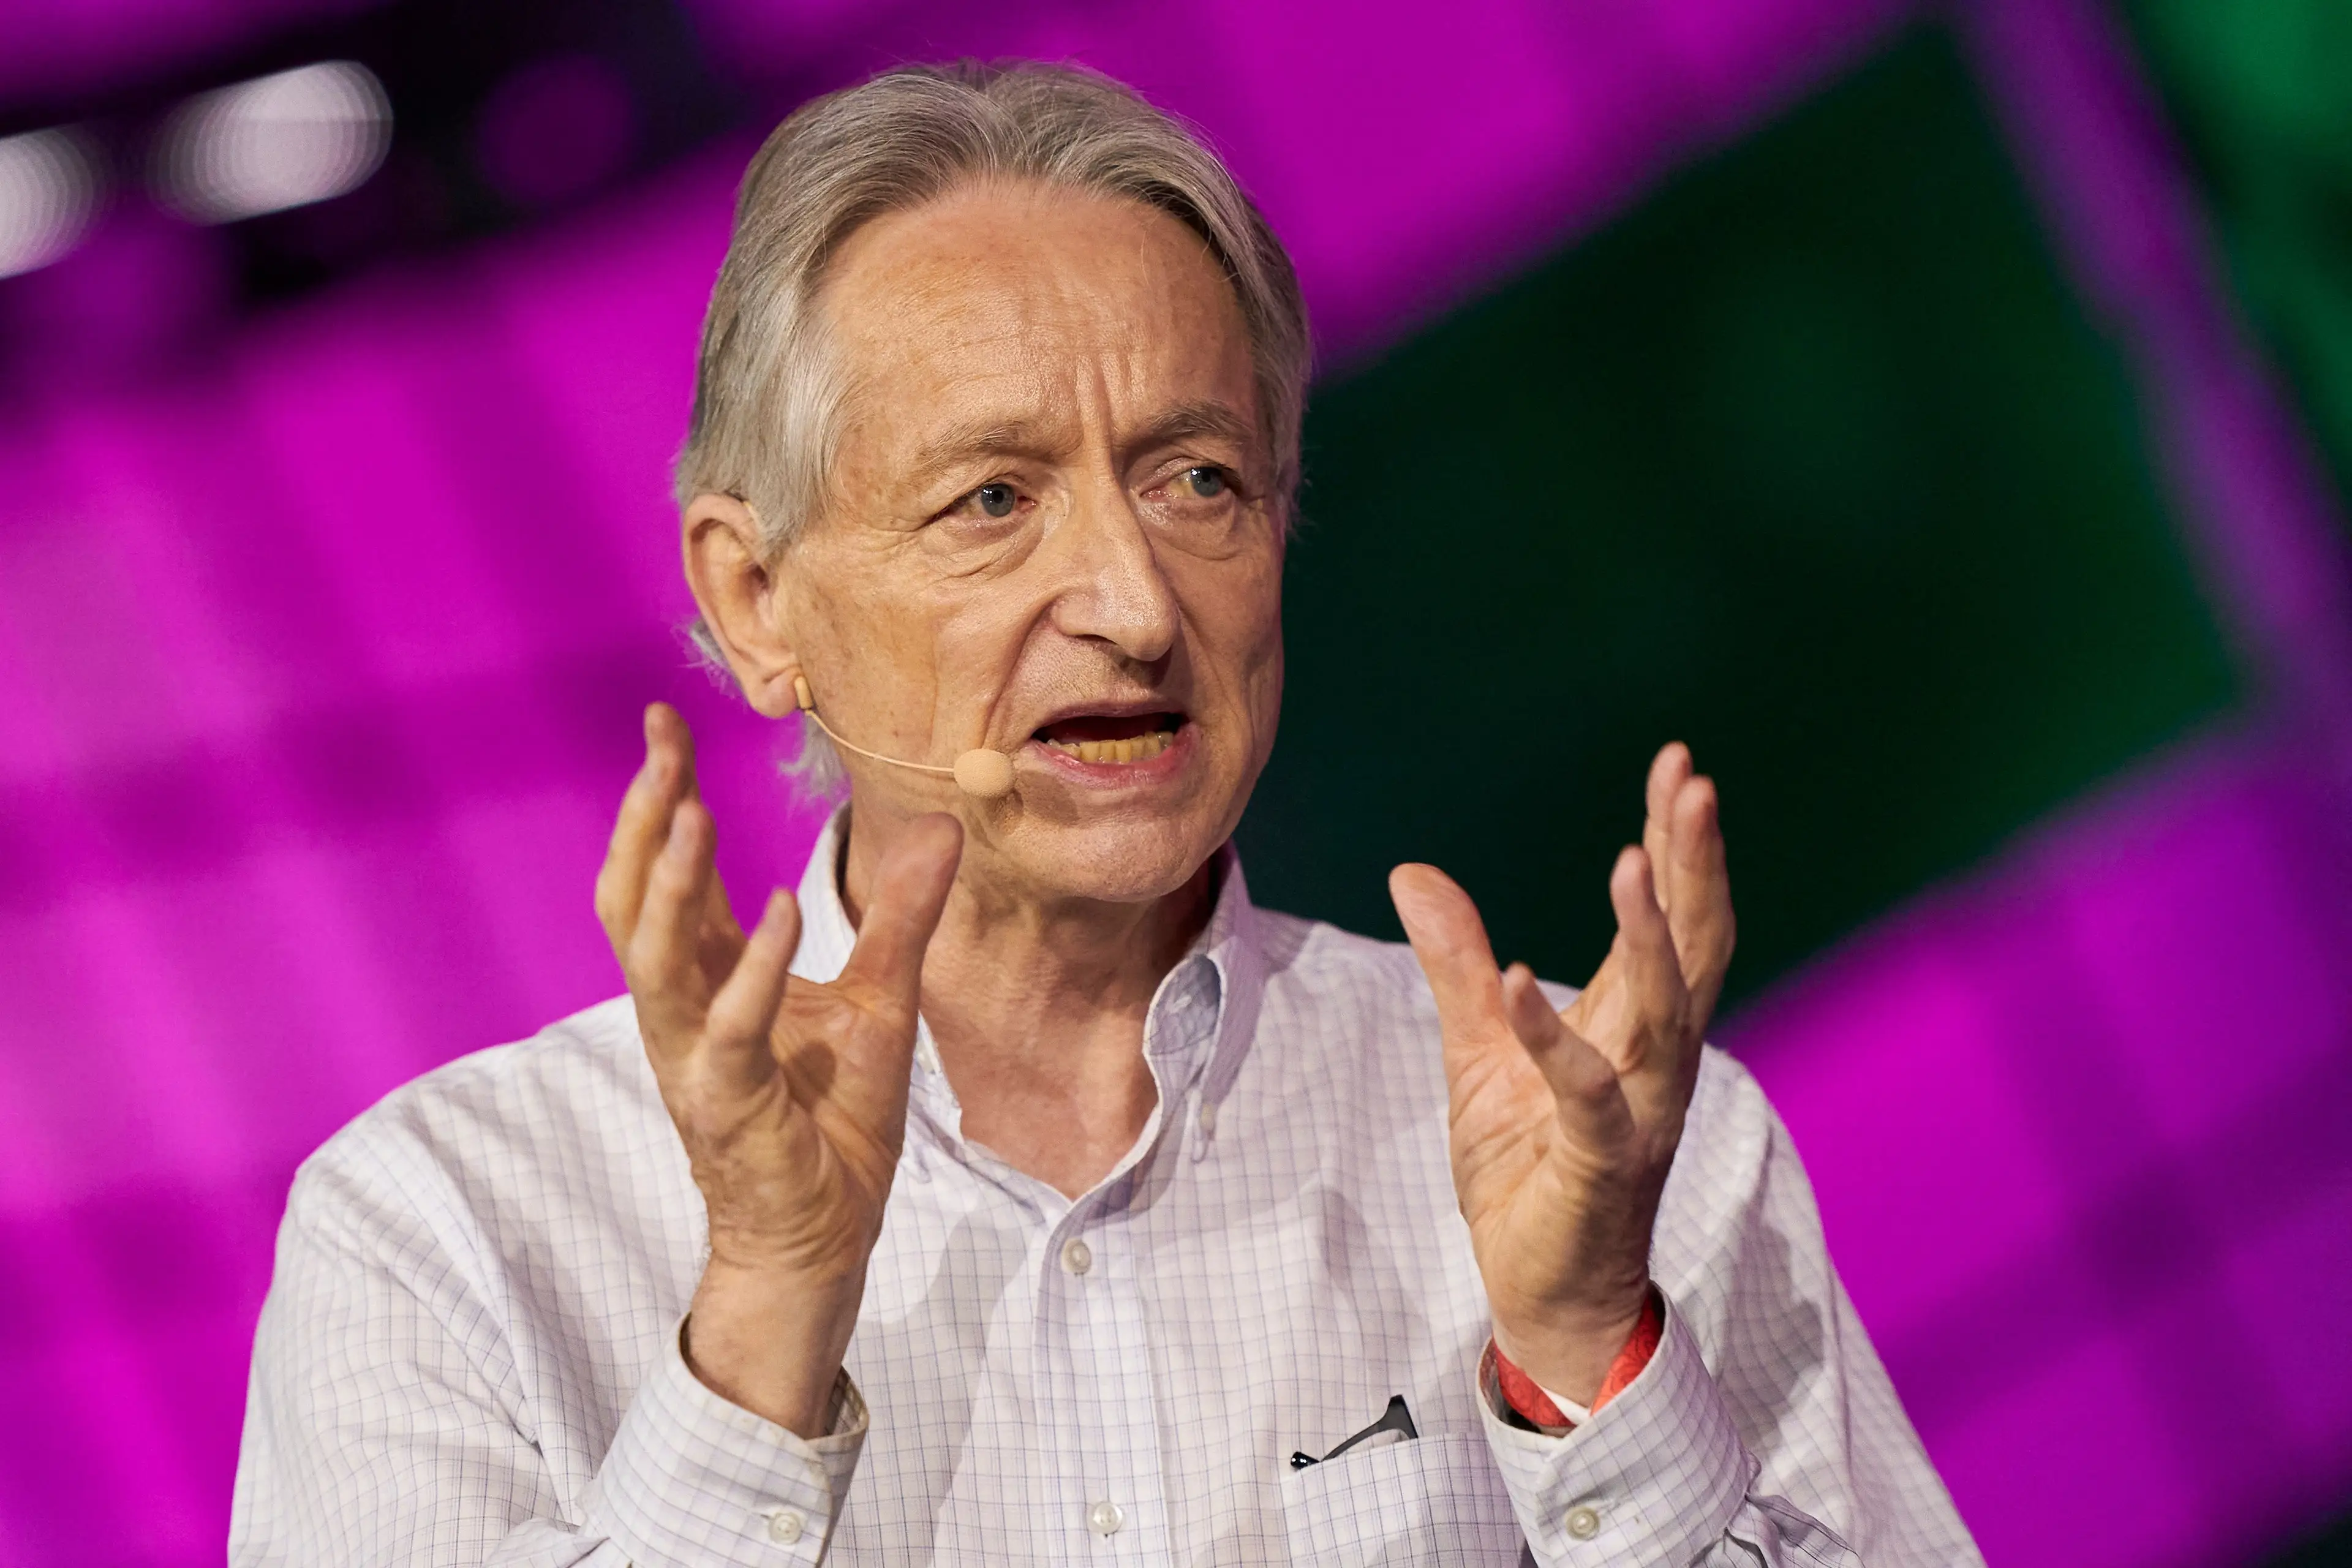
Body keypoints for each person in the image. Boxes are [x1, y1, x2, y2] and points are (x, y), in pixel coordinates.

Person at [230, 61, 1981, 1567]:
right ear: (759, 601)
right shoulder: (448, 1232)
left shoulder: (1625, 1150)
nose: (1137, 605)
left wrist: (1593, 1358)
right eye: (994, 498)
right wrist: (759, 1324)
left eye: (1199, 480)